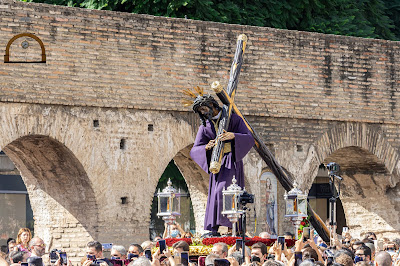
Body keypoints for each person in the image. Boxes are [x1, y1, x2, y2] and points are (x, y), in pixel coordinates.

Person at [189, 92, 254, 233]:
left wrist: (233, 136)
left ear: (212, 105)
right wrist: (206, 147)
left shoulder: (234, 119)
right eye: (200, 111)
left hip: (231, 161)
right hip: (217, 164)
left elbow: (249, 138)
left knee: (226, 192)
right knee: (216, 194)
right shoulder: (205, 126)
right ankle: (215, 227)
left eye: (204, 109)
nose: (203, 112)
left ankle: (232, 227)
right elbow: (195, 149)